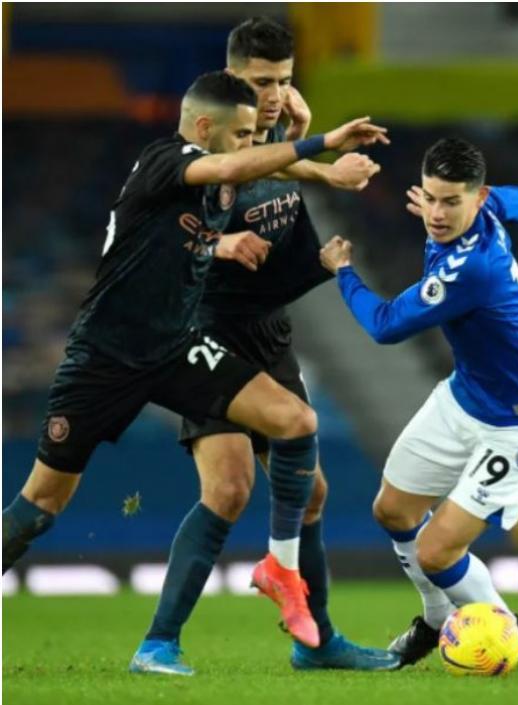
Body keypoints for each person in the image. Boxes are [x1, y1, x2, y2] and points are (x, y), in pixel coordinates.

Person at [0, 69, 385, 668]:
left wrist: (317, 168)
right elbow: (232, 167)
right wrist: (322, 142)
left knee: (295, 421)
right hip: (105, 357)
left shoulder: (221, 172)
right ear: (204, 128)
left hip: (176, 346)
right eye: (237, 136)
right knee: (38, 508)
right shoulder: (165, 161)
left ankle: (267, 576)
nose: (245, 147)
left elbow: (256, 167)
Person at [133, 17, 397, 676]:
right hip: (207, 330)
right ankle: (158, 642)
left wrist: (325, 173)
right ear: (230, 80)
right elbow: (158, 228)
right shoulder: (200, 149)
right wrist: (218, 243)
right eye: (260, 81)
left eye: (282, 79)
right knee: (228, 488)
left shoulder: (274, 132)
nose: (275, 94)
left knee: (310, 493)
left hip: (269, 330)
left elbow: (273, 172)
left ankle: (318, 641)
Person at [317, 137, 518, 666]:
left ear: (475, 199)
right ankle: (434, 619)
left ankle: (504, 628)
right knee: (392, 510)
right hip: (462, 398)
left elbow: (384, 327)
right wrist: (494, 199)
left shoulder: (469, 270)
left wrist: (343, 271)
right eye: (429, 197)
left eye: (451, 202)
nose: (435, 213)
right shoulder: (486, 207)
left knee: (437, 551)